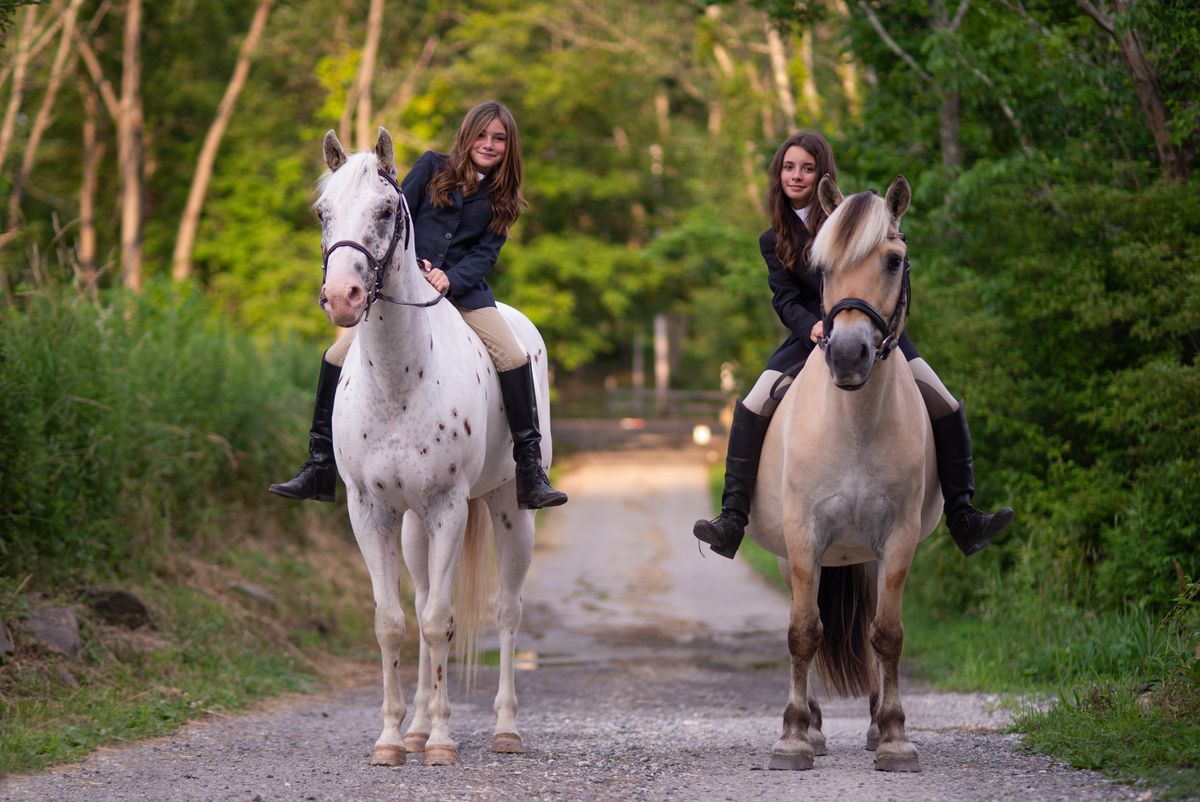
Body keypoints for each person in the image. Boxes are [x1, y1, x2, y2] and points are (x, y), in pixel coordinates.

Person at [693, 131, 1012, 559]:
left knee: (946, 402)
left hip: (871, 332)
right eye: (789, 167)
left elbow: (884, 259)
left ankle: (963, 514)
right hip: (809, 338)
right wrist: (811, 327)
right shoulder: (773, 239)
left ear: (822, 173)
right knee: (752, 404)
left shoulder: (847, 220)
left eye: (807, 167)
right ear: (779, 174)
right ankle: (732, 518)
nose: (797, 175)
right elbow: (785, 298)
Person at [269, 101, 567, 510]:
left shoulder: (505, 195)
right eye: (482, 135)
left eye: (498, 139)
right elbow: (396, 217)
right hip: (408, 291)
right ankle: (318, 463)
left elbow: (486, 253)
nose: (489, 144)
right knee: (336, 355)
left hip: (464, 295)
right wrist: (414, 267)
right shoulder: (431, 167)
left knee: (514, 357)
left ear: (509, 146)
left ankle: (530, 471)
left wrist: (451, 277)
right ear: (467, 135)